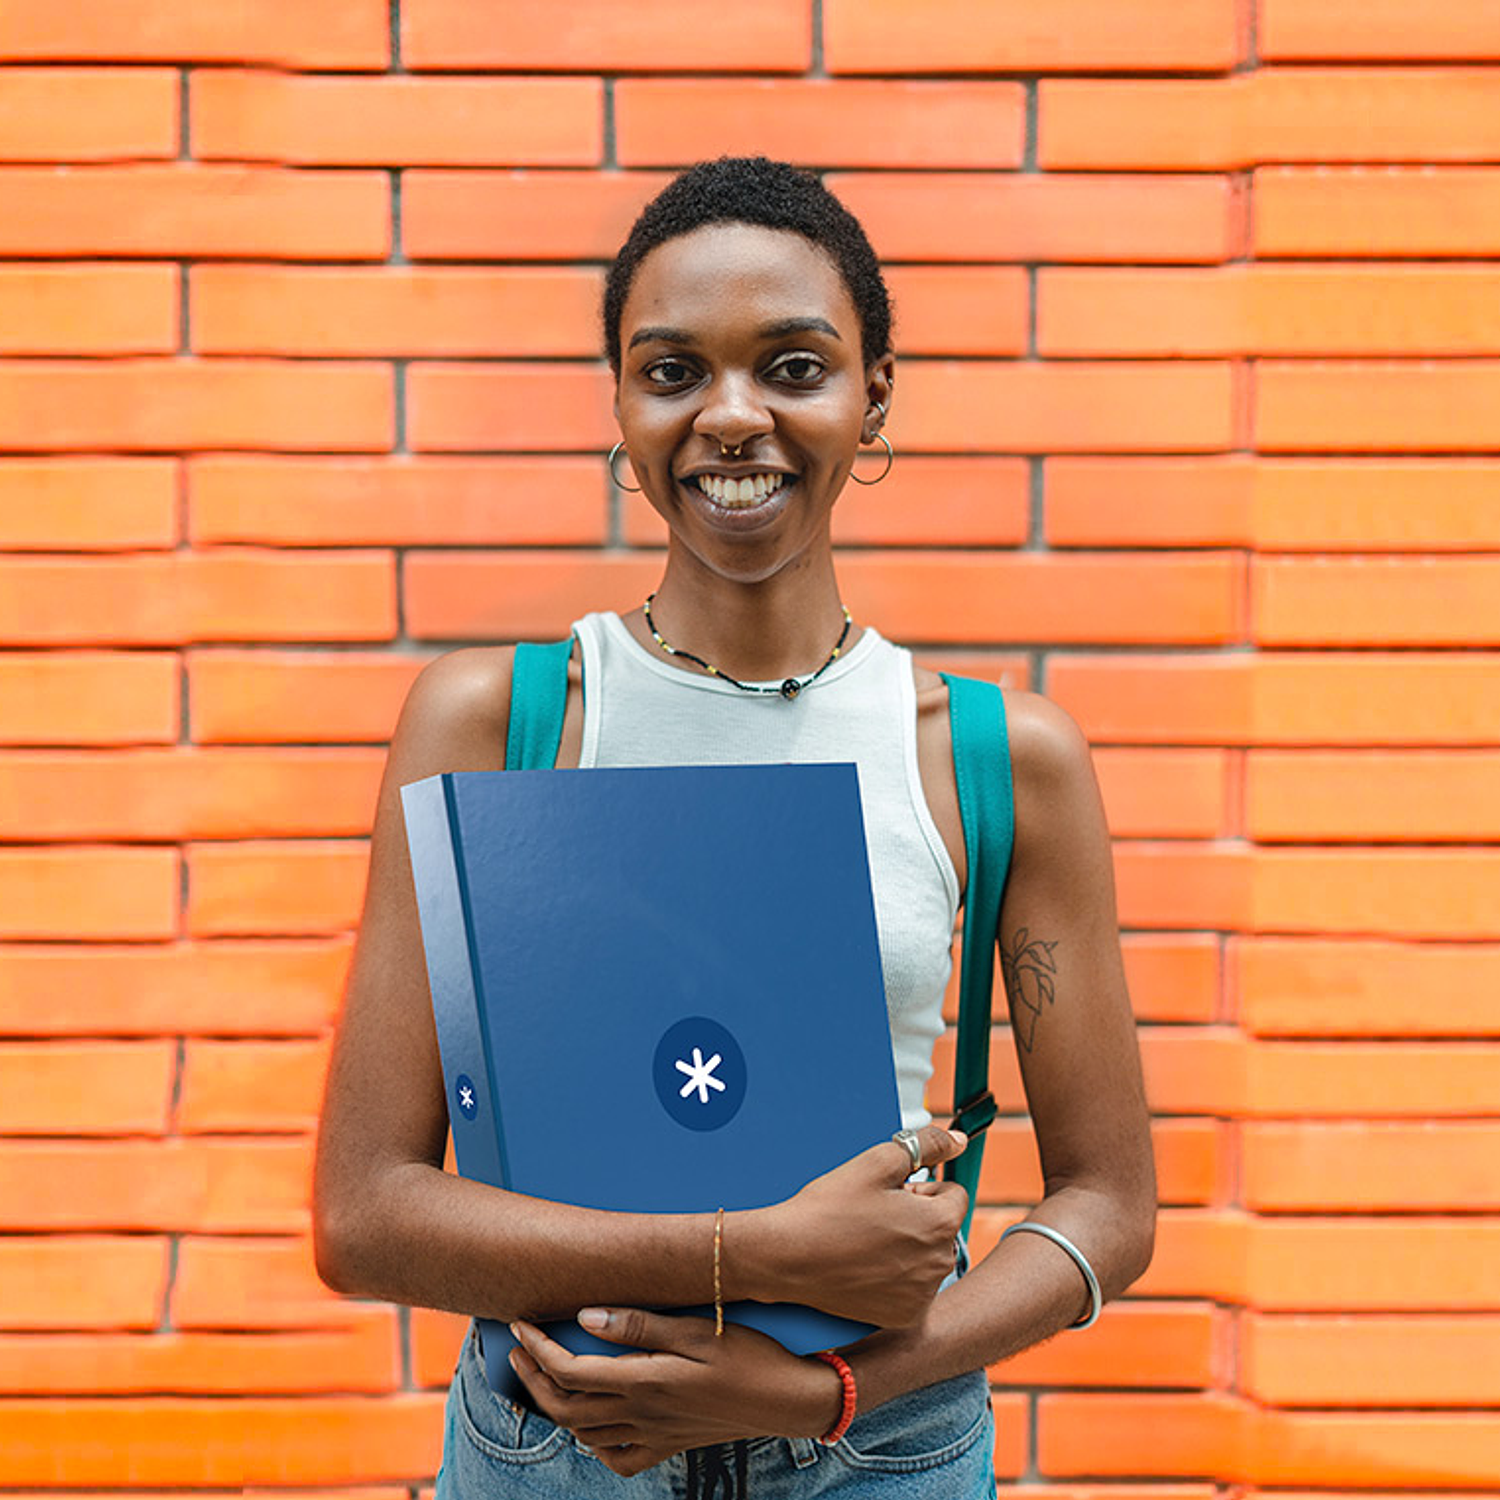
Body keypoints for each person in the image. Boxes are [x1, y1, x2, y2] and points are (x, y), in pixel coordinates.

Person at [313, 156, 1156, 1498]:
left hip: (885, 1446)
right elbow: (366, 1218)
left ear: (876, 393)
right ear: (624, 412)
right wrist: (749, 1253)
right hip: (564, 1438)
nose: (732, 416)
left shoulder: (1002, 760)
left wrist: (832, 1391)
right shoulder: (504, 725)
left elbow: (1110, 1205)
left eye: (794, 365)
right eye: (672, 372)